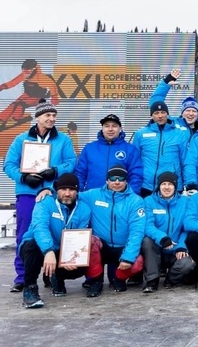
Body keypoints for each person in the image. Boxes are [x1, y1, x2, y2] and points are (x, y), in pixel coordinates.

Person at [3, 99, 76, 292]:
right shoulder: (21, 139)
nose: (51, 119)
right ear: (38, 117)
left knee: (52, 232)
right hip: (28, 192)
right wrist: (23, 178)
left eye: (54, 115)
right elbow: (8, 165)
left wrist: (55, 171)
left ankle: (50, 274)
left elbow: (71, 162)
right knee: (25, 234)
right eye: (47, 115)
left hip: (53, 193)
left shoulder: (63, 140)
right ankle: (22, 276)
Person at [17, 173, 98, 307]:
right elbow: (40, 227)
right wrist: (48, 251)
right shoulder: (45, 202)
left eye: (72, 190)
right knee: (32, 246)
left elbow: (78, 236)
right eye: (63, 189)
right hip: (37, 247)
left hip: (60, 250)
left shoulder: (84, 209)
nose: (67, 193)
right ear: (56, 189)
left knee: (78, 268)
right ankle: (30, 289)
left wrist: (69, 257)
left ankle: (57, 277)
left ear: (77, 192)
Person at [81, 165, 147, 295]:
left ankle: (119, 278)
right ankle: (96, 281)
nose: (117, 182)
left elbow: (137, 231)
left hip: (122, 247)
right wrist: (47, 190)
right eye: (113, 178)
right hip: (101, 246)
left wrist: (128, 257)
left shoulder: (135, 201)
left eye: (121, 178)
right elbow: (69, 194)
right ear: (107, 181)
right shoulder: (93, 195)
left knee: (137, 262)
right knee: (90, 241)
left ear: (126, 181)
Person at [142, 171, 194, 291]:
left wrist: (181, 246)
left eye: (170, 184)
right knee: (147, 241)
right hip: (157, 247)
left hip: (175, 248)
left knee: (188, 263)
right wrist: (162, 238)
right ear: (158, 186)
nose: (166, 187)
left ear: (175, 187)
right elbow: (147, 225)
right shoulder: (148, 201)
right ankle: (152, 280)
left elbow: (187, 227)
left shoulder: (185, 202)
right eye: (163, 184)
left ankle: (171, 279)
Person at [75, 113, 143, 194]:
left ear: (120, 129)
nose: (110, 129)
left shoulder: (130, 150)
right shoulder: (89, 148)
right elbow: (80, 173)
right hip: (93, 198)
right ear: (102, 128)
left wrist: (131, 196)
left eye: (114, 126)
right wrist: (78, 193)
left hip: (120, 199)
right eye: (107, 126)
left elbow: (136, 175)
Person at [131, 100, 187, 197]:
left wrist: (187, 184)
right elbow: (134, 161)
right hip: (146, 185)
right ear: (151, 115)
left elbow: (185, 161)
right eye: (156, 113)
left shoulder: (179, 134)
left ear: (168, 114)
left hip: (171, 185)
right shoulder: (141, 134)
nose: (160, 116)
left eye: (163, 112)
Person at [150, 70, 198, 145]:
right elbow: (155, 102)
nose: (190, 113)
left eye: (194, 111)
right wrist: (166, 82)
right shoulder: (172, 124)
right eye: (187, 110)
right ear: (182, 113)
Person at [0, 58, 60, 128]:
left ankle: (16, 118)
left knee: (21, 105)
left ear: (34, 70)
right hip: (26, 95)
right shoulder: (24, 75)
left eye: (27, 72)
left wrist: (54, 97)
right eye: (24, 71)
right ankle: (2, 118)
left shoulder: (41, 78)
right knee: (13, 104)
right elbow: (13, 82)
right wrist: (3, 87)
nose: (26, 74)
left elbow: (52, 85)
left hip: (37, 98)